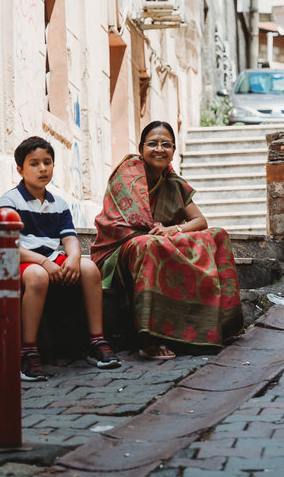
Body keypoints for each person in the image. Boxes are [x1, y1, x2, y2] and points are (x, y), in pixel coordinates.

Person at [91, 121, 243, 360]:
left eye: (166, 144)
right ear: (141, 149)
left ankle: (219, 325)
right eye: (152, 144)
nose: (159, 149)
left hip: (160, 242)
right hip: (120, 251)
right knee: (149, 245)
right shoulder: (128, 172)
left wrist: (174, 230)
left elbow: (200, 221)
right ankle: (150, 339)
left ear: (173, 150)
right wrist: (164, 234)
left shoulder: (173, 182)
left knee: (218, 235)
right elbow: (134, 223)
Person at [0, 136, 121, 382]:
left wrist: (74, 257)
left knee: (89, 269)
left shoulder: (59, 204)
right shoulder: (10, 201)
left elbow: (70, 238)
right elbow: (7, 245)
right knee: (37, 276)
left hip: (54, 257)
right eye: (34, 163)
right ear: (20, 169)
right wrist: (43, 262)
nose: (42, 168)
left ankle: (97, 341)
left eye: (47, 162)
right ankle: (28, 350)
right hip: (24, 259)